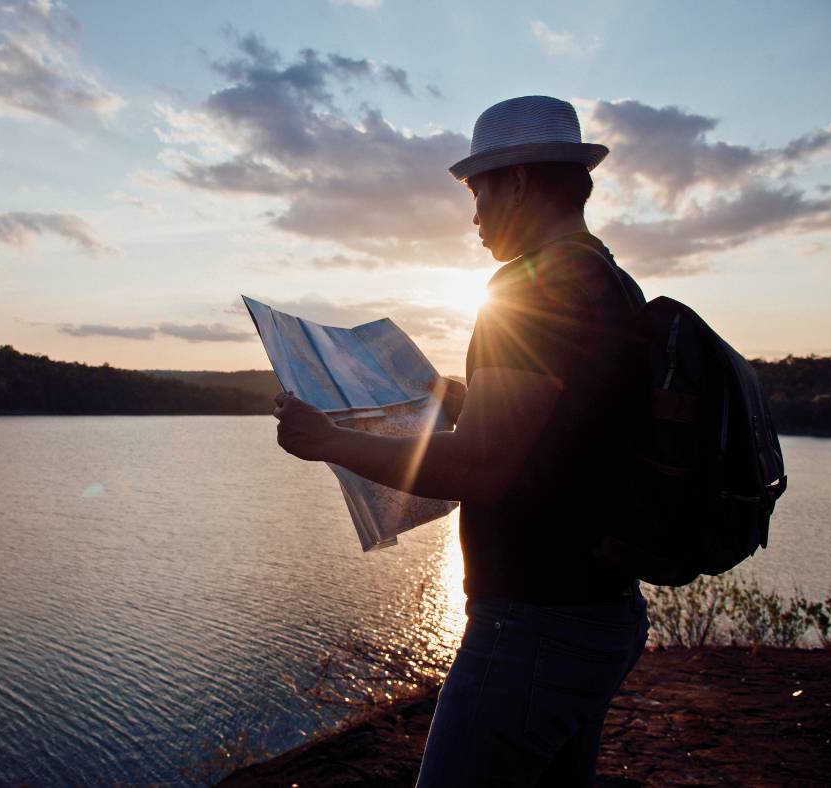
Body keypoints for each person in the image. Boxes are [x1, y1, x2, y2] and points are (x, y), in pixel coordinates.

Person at [273, 95, 649, 787]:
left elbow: (483, 465)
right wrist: (466, 401)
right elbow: (560, 433)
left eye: (478, 189)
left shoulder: (531, 290)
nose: (473, 214)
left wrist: (331, 440)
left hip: (533, 627)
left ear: (518, 182)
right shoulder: (608, 282)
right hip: (601, 611)